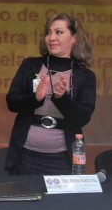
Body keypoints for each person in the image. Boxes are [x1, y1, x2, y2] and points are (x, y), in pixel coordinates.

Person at [5, 13, 96, 175]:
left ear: (74, 38)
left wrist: (62, 99)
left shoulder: (86, 76)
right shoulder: (30, 65)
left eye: (59, 32)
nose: (51, 37)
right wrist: (35, 98)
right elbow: (12, 102)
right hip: (25, 155)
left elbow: (82, 118)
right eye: (49, 32)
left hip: (63, 159)